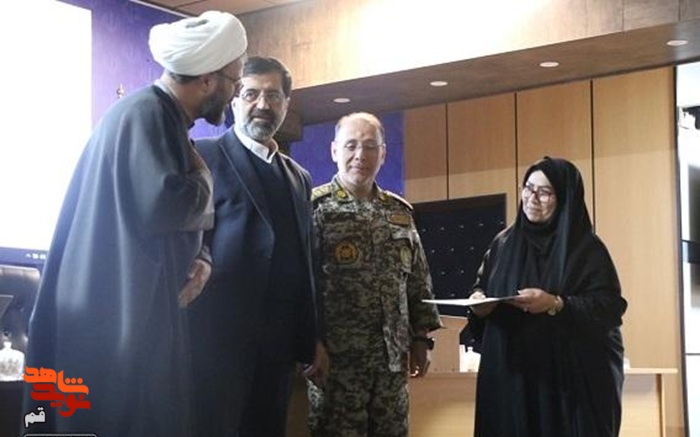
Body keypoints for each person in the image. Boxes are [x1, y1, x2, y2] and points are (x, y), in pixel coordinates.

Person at [23, 11, 247, 437]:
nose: (234, 91)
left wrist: (201, 256)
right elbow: (161, 203)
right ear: (206, 80)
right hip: (114, 332)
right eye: (234, 80)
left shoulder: (158, 117)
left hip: (130, 322)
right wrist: (205, 176)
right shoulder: (146, 115)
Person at [188, 56, 319, 437]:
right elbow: (189, 243)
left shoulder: (299, 177)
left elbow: (306, 262)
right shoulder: (203, 156)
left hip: (278, 350)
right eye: (251, 94)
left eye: (274, 96)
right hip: (215, 345)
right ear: (233, 100)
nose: (263, 104)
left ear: (286, 104)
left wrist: (311, 338)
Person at [466, 156, 628, 437]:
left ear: (565, 198)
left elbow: (610, 307)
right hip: (512, 378)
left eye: (544, 192)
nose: (532, 199)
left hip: (565, 384)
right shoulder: (504, 243)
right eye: (528, 188)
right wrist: (478, 302)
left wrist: (555, 304)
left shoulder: (585, 249)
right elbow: (481, 286)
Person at [306, 112, 442, 437]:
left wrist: (421, 339)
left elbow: (418, 282)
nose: (360, 155)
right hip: (336, 364)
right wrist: (310, 343)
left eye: (370, 147)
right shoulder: (314, 209)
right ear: (334, 151)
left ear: (383, 154)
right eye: (351, 145)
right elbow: (302, 285)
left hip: (391, 363)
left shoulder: (399, 212)